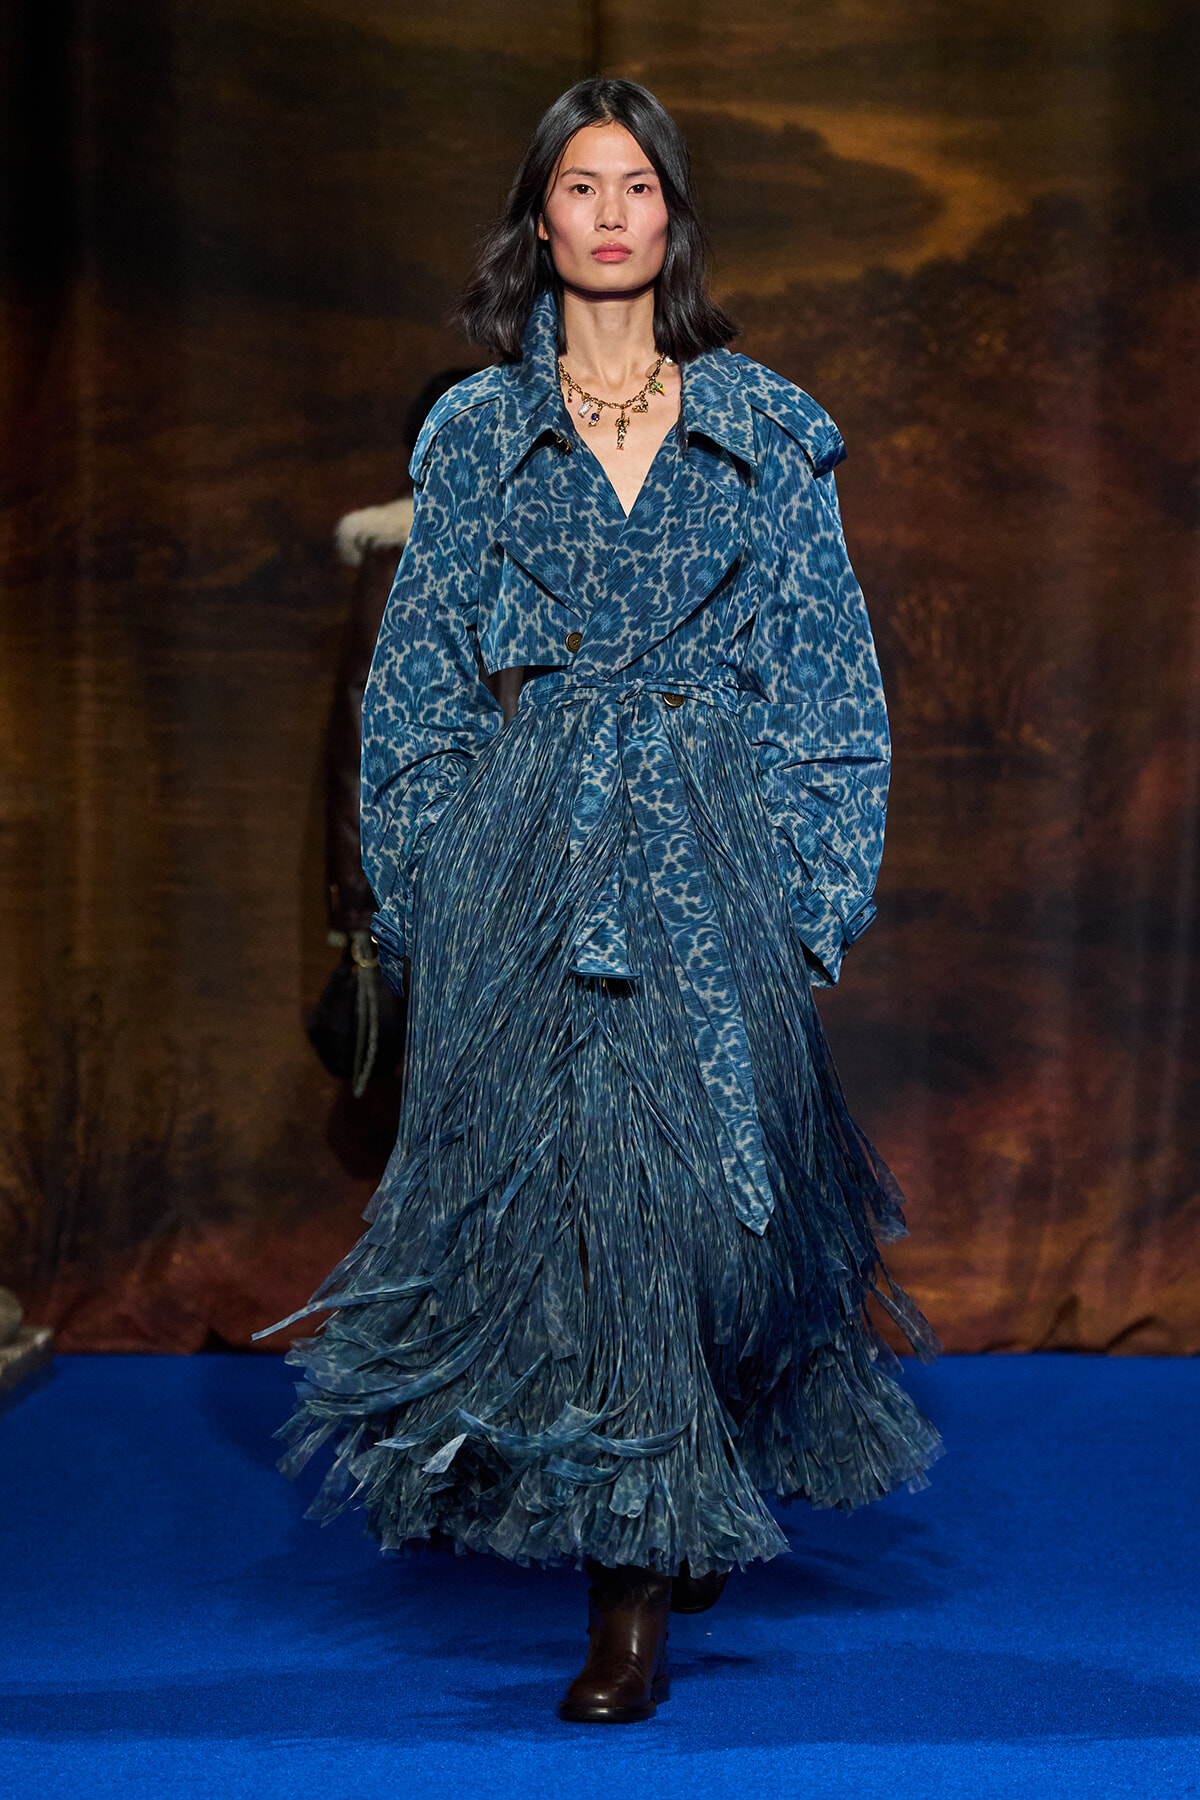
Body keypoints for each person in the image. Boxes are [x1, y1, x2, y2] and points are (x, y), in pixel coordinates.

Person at [259, 77, 942, 1726]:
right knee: (592, 1225)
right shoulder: (478, 435)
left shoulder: (766, 427)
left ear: (673, 216)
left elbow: (831, 686)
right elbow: (417, 692)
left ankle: (695, 1455)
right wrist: (434, 904)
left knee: (729, 1221)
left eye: (641, 182)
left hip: (713, 856)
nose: (614, 210)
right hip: (533, 861)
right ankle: (627, 1585)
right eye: (583, 184)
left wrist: (807, 894)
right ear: (542, 219)